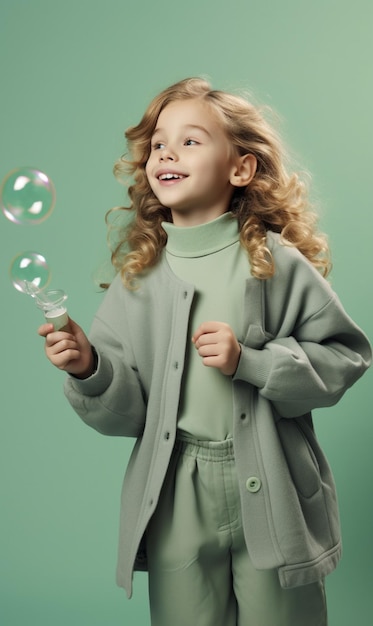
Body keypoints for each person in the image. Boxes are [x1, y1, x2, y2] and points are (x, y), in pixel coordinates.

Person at [38, 78, 371, 626]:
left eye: (191, 141)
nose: (166, 152)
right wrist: (91, 368)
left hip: (272, 480)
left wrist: (253, 362)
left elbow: (345, 355)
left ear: (240, 168)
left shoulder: (274, 262)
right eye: (158, 144)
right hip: (177, 488)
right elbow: (129, 412)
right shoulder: (138, 278)